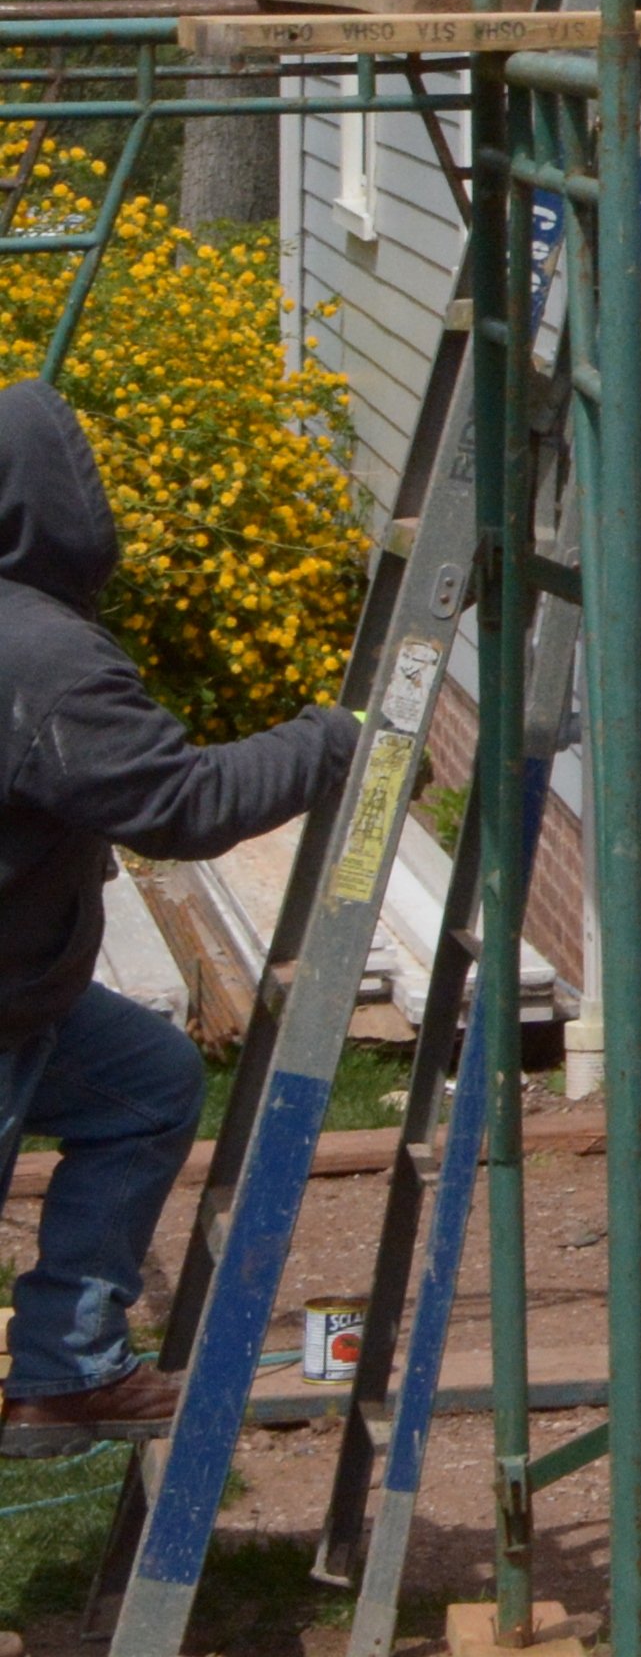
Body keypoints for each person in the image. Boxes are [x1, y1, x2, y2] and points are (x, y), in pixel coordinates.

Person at [0, 380, 354, 1435]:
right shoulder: (40, 658)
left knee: (147, 1084)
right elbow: (178, 805)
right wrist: (332, 742)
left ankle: (68, 1366)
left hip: (26, 992)